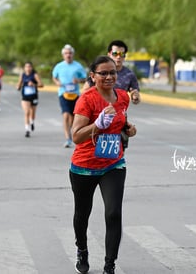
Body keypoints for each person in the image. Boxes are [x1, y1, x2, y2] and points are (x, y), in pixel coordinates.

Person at [69, 56, 137, 274]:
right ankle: (82, 249)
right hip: (84, 166)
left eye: (112, 73)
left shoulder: (122, 97)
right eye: (103, 73)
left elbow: (121, 121)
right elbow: (77, 136)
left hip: (113, 164)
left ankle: (110, 265)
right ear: (93, 76)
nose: (109, 77)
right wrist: (96, 125)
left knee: (113, 213)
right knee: (82, 214)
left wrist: (128, 128)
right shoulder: (87, 100)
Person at [83, 40, 141, 105]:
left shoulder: (130, 75)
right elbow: (85, 90)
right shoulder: (99, 71)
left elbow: (136, 97)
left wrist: (135, 97)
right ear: (109, 54)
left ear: (125, 56)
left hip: (119, 112)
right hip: (98, 111)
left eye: (122, 54)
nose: (118, 57)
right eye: (115, 54)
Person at [52, 44, 87, 148]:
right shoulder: (59, 66)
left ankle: (72, 135)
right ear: (63, 55)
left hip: (75, 94)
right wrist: (57, 83)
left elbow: (85, 79)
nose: (68, 55)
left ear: (73, 54)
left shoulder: (78, 66)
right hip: (63, 93)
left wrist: (78, 80)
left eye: (70, 53)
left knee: (73, 118)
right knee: (66, 115)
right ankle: (67, 139)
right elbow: (54, 77)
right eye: (66, 53)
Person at [16, 62, 44, 137]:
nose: (28, 68)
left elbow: (41, 84)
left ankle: (32, 122)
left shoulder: (34, 75)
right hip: (25, 96)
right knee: (27, 112)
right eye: (26, 67)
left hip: (34, 96)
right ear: (24, 68)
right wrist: (18, 86)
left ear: (32, 68)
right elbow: (18, 84)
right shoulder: (22, 75)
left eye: (29, 67)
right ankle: (27, 130)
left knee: (33, 113)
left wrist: (34, 84)